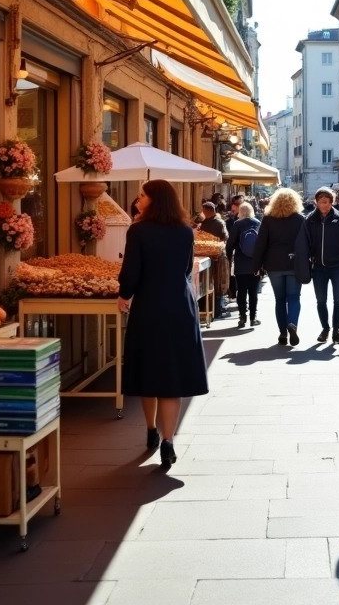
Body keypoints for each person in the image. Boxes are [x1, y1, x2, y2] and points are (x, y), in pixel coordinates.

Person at [116, 180, 208, 471]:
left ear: (154, 200)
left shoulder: (139, 230)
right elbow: (184, 270)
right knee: (173, 377)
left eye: (142, 195)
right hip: (181, 308)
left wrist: (124, 295)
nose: (138, 199)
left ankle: (151, 429)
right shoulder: (184, 231)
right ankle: (168, 441)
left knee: (149, 370)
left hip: (149, 307)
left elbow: (131, 272)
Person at [252, 187, 309, 346]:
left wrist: (256, 265)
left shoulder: (268, 219)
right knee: (294, 297)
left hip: (274, 264)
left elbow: (260, 244)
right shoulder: (300, 219)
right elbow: (306, 243)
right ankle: (292, 323)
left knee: (279, 299)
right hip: (293, 263)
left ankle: (283, 334)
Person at [303, 186, 339, 344]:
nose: (324, 205)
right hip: (318, 267)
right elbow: (305, 242)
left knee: (338, 301)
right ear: (316, 202)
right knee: (321, 301)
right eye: (321, 202)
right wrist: (309, 258)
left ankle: (336, 330)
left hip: (337, 268)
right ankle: (325, 328)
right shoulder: (310, 220)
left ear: (331, 202)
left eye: (326, 202)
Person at [226, 203, 262, 328]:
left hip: (241, 263)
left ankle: (242, 317)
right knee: (253, 292)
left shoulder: (237, 225)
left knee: (241, 291)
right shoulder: (257, 223)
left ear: (240, 212)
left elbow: (230, 244)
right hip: (255, 264)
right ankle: (253, 317)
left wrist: (229, 257)